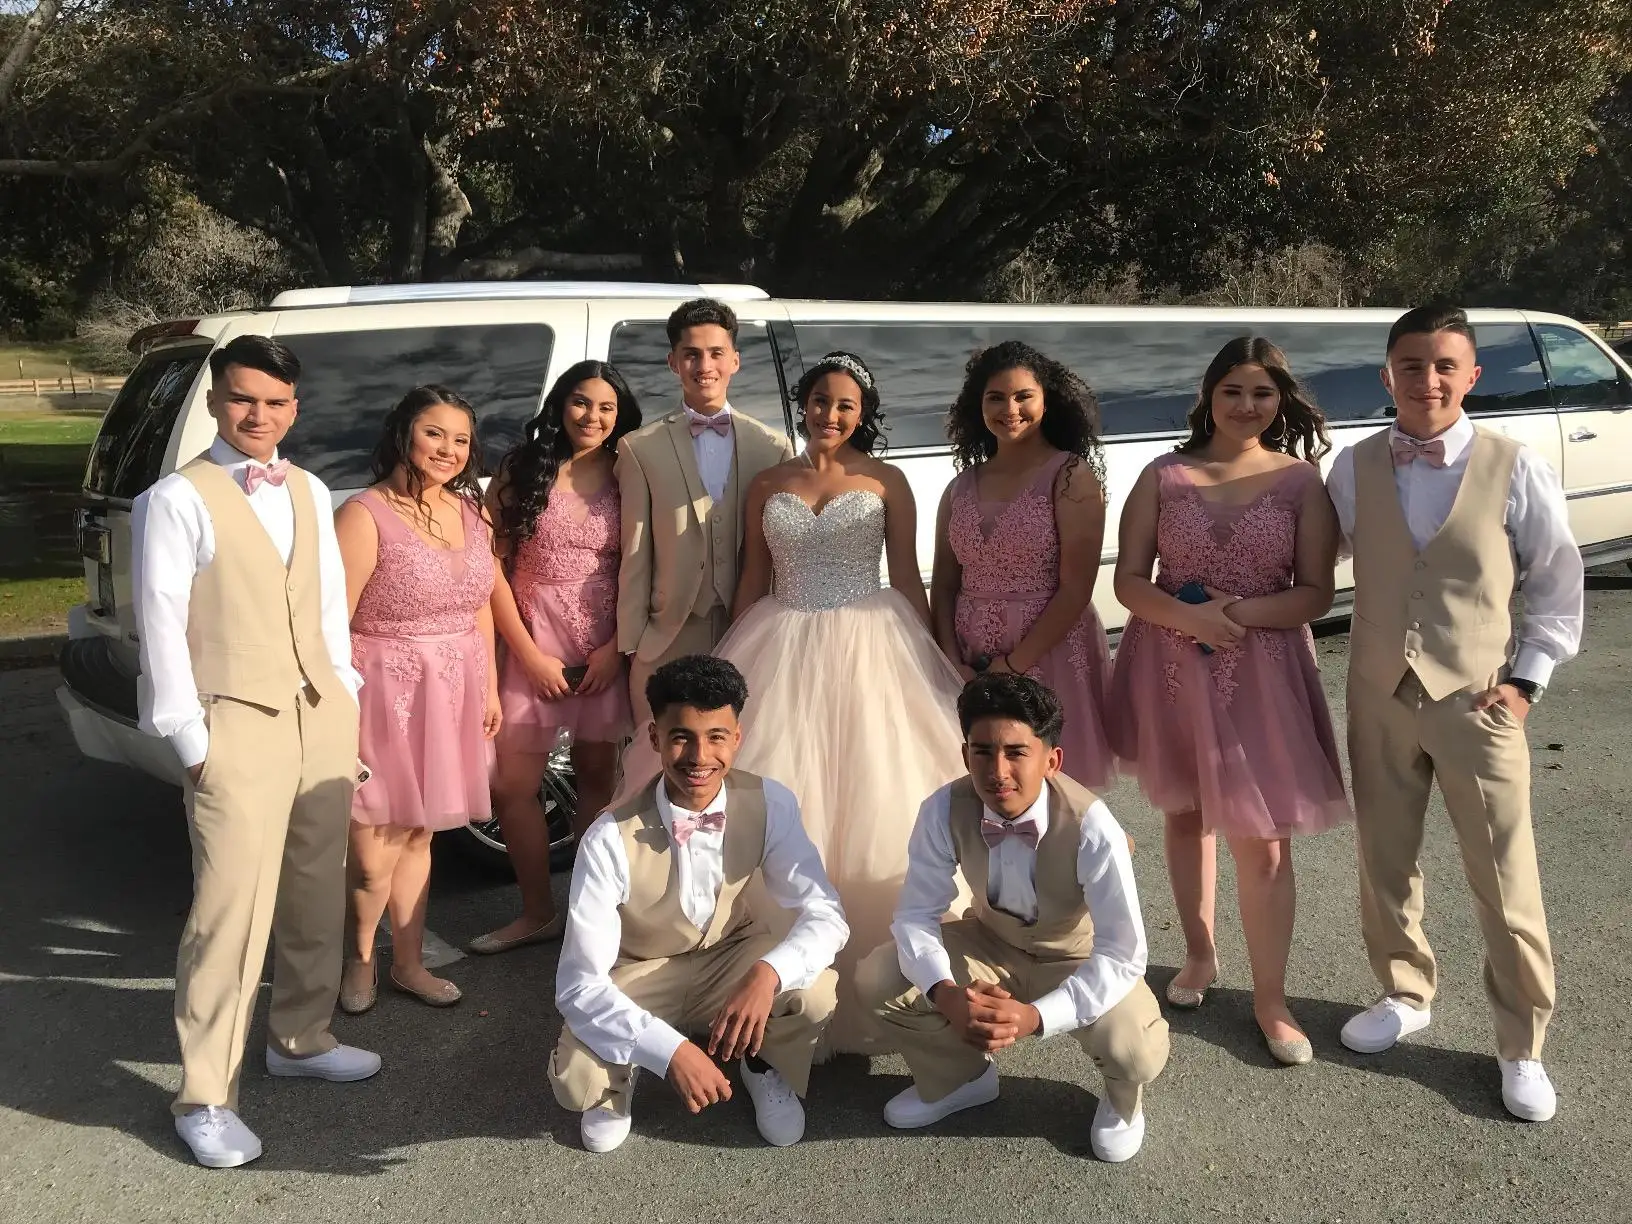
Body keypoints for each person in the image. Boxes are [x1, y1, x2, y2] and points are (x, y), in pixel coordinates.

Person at [1327, 304, 1583, 1122]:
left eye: (1445, 366)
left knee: (1507, 879)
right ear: (1387, 375)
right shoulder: (1352, 466)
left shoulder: (1516, 465)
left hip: (1478, 701)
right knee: (1384, 861)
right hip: (1377, 695)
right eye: (1411, 365)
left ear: (1471, 376)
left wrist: (1527, 682)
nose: (1427, 380)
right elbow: (1300, 556)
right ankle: (1404, 992)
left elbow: (1554, 582)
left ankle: (1521, 1044)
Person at [131, 335, 380, 1169]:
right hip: (232, 721)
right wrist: (190, 741)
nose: (258, 416)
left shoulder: (310, 488)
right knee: (229, 915)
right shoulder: (176, 498)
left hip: (321, 718)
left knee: (317, 889)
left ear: (294, 407)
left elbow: (330, 612)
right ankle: (204, 1094)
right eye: (243, 399)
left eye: (275, 403)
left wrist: (346, 700)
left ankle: (301, 1037)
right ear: (215, 400)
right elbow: (160, 625)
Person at [712, 350, 968, 1053]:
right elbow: (752, 580)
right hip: (779, 641)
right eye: (821, 400)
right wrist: (725, 668)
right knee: (782, 795)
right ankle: (781, 988)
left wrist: (934, 661)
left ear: (864, 414)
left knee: (874, 792)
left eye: (846, 405)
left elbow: (911, 580)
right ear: (804, 404)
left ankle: (889, 985)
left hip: (871, 644)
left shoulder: (886, 480)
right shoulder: (768, 482)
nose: (831, 414)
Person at [1107, 337, 1350, 1065]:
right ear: (1209, 396)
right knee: (1184, 815)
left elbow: (1316, 592)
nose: (1247, 406)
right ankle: (1199, 954)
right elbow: (1128, 580)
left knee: (1265, 840)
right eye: (1233, 391)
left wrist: (1234, 615)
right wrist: (1190, 620)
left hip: (1264, 672)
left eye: (1263, 394)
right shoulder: (1164, 474)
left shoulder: (1301, 482)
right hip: (1170, 666)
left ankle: (1272, 1000)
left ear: (1281, 402)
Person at [855, 674, 1168, 1163]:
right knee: (879, 974)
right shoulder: (942, 808)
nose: (997, 771)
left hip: (1075, 955)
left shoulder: (1093, 825)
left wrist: (1036, 1017)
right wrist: (947, 994)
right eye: (982, 752)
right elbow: (916, 915)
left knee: (1134, 1046)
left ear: (1052, 759)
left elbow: (1124, 953)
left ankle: (1123, 1104)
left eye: (1017, 753)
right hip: (989, 942)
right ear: (964, 755)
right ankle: (961, 1079)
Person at [549, 655, 848, 1153]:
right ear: (655, 739)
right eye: (681, 736)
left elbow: (826, 914)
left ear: (738, 737)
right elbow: (577, 984)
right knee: (577, 1075)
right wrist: (671, 1052)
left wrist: (767, 973)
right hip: (645, 969)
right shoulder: (606, 837)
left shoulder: (771, 802)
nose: (699, 755)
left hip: (732, 955)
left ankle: (760, 1061)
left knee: (814, 992)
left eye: (716, 736)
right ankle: (621, 1078)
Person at [333, 386, 501, 1011]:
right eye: (435, 434)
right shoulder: (363, 513)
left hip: (454, 690)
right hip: (383, 692)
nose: (449, 450)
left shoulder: (471, 511)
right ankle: (357, 962)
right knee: (374, 849)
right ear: (403, 432)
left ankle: (407, 962)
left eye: (461, 439)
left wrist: (486, 685)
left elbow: (481, 603)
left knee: (421, 836)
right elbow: (334, 623)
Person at [471, 362, 642, 955]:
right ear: (558, 405)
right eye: (579, 402)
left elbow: (641, 566)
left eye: (605, 407)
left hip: (603, 643)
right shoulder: (522, 468)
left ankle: (587, 918)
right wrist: (528, 654)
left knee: (600, 779)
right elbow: (490, 565)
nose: (591, 417)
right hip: (528, 640)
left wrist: (615, 647)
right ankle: (536, 912)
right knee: (512, 785)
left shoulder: (632, 472)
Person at [609, 299, 794, 805]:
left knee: (745, 756)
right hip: (667, 630)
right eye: (691, 354)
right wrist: (635, 644)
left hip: (748, 625)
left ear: (735, 359)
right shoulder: (640, 448)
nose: (704, 366)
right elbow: (635, 552)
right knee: (655, 765)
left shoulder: (771, 446)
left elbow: (778, 550)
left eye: (716, 353)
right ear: (673, 362)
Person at [931, 340, 1116, 789]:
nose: (1009, 409)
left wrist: (1014, 664)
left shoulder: (1070, 476)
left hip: (1049, 651)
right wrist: (953, 662)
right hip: (969, 660)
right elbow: (945, 585)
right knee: (988, 786)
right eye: (995, 397)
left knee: (1056, 791)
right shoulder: (959, 487)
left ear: (1046, 401)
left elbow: (1076, 588)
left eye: (1022, 396)